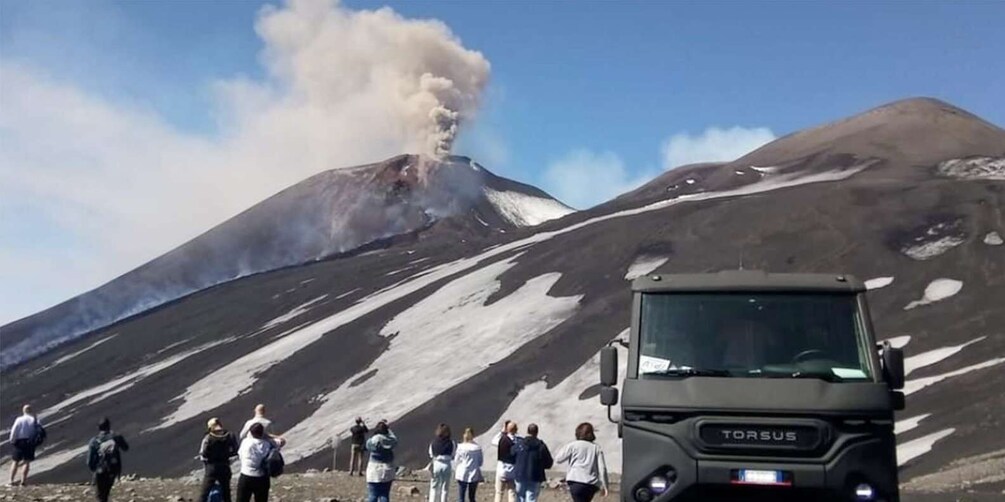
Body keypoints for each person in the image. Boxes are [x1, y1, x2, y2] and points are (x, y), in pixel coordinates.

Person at [554, 423, 609, 502]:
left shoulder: (572, 445)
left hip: (575, 481)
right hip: (591, 484)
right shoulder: (596, 448)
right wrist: (605, 486)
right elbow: (602, 469)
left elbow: (558, 459)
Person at [86, 418, 129, 502]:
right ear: (109, 426)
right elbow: (125, 448)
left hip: (99, 470)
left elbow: (89, 461)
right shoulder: (116, 437)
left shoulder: (94, 441)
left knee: (100, 495)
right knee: (106, 491)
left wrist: (94, 470)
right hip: (113, 469)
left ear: (98, 428)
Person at [199, 417, 239, 502]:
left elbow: (204, 453)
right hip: (225, 466)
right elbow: (236, 450)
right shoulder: (230, 435)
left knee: (204, 492)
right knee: (226, 492)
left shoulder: (208, 437)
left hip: (212, 467)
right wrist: (227, 455)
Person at [236, 422, 277, 502]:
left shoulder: (245, 442)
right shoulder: (267, 444)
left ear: (251, 432)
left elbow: (240, 455)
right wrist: (267, 436)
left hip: (246, 475)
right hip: (262, 477)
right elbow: (282, 441)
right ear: (262, 432)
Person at [512, 424, 552, 502]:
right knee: (531, 498)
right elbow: (548, 462)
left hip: (520, 474)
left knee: (520, 497)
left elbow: (511, 455)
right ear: (537, 432)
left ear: (527, 431)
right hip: (535, 475)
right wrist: (541, 466)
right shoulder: (541, 446)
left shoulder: (520, 444)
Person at [8, 404, 44, 487]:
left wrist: (12, 440)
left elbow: (14, 430)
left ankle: (11, 481)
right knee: (26, 461)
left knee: (15, 461)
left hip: (19, 442)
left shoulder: (19, 419)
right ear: (31, 410)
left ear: (23, 411)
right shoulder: (35, 420)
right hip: (30, 442)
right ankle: (23, 481)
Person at [365, 420, 398, 502]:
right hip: (388, 468)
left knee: (373, 494)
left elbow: (367, 445)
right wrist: (389, 430)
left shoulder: (372, 441)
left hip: (374, 469)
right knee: (384, 494)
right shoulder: (390, 441)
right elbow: (395, 440)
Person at [490, 421, 518, 502]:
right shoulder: (518, 440)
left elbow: (493, 441)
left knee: (499, 492)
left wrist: (502, 432)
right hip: (513, 469)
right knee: (512, 492)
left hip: (501, 469)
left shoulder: (502, 440)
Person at [454, 428, 484, 502]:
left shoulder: (460, 447)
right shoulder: (477, 447)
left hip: (462, 472)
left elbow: (456, 460)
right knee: (472, 497)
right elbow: (480, 462)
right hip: (474, 472)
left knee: (461, 497)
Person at [428, 424, 456, 502]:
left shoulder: (433, 442)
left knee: (434, 486)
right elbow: (453, 455)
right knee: (445, 487)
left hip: (436, 463)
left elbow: (431, 454)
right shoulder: (451, 443)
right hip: (447, 464)